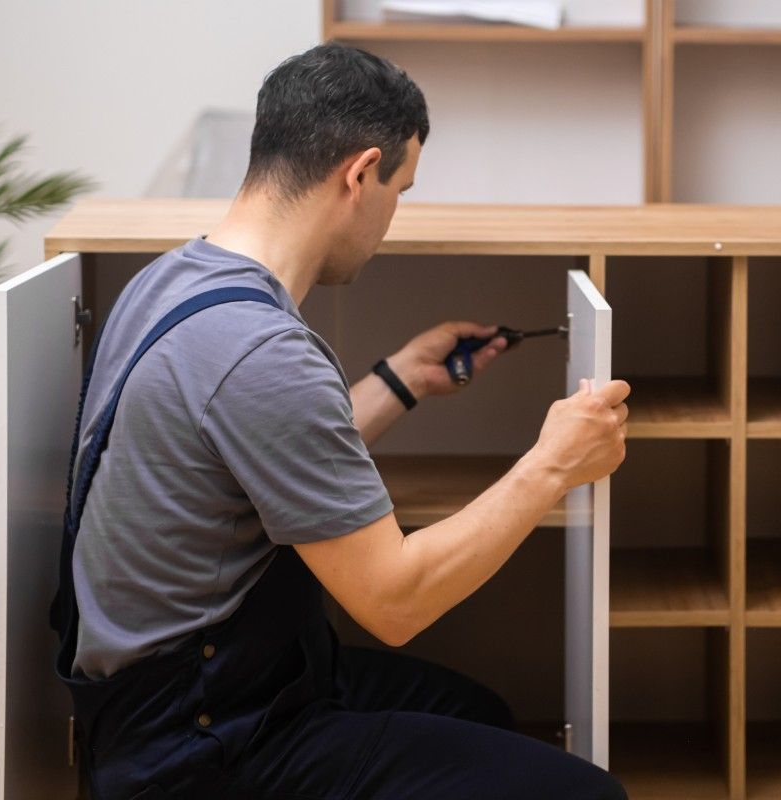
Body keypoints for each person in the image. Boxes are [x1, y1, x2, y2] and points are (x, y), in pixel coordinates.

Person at [53, 41, 630, 800]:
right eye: (402, 188)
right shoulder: (263, 352)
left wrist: (398, 381)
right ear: (360, 173)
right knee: (592, 796)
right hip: (202, 746)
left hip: (175, 703)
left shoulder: (173, 281)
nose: (395, 215)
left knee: (481, 714)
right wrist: (553, 463)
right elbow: (396, 601)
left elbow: (262, 453)